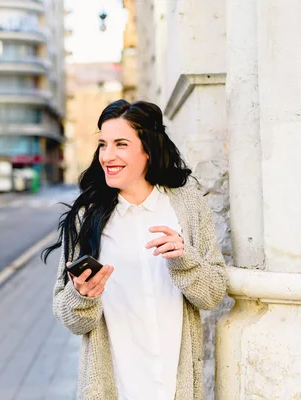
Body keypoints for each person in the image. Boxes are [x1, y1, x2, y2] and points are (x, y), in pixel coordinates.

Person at [43, 99, 227, 399]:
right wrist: (83, 296)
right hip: (116, 386)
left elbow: (213, 294)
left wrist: (184, 260)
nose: (107, 156)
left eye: (120, 144)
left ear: (148, 150)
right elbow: (70, 319)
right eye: (103, 144)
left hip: (173, 385)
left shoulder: (187, 205)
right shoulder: (86, 218)